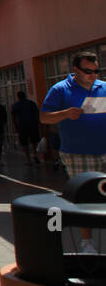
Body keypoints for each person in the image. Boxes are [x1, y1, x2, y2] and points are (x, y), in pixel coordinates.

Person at [40, 51, 106, 254]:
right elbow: (44, 117)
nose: (93, 75)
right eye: (88, 71)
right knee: (85, 195)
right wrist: (66, 113)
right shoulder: (60, 89)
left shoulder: (103, 88)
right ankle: (87, 242)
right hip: (78, 152)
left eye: (96, 71)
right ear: (75, 70)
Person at [11, 91, 41, 167]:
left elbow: (13, 117)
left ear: (18, 97)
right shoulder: (31, 103)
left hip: (22, 126)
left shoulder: (16, 105)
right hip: (32, 125)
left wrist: (15, 126)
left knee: (24, 144)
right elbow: (37, 114)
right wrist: (38, 123)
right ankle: (35, 154)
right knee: (34, 141)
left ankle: (28, 160)